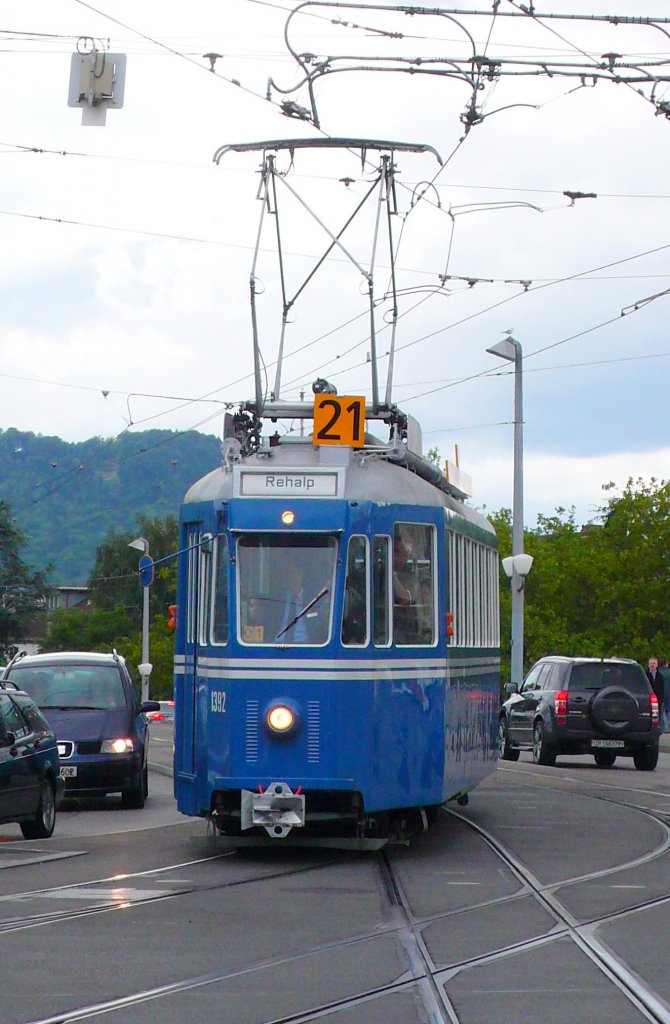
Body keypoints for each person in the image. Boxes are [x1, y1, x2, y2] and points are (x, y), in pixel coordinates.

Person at [647, 657, 666, 729]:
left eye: (654, 663)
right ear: (648, 665)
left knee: (658, 716)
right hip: (648, 700)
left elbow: (662, 689)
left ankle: (659, 729)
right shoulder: (645, 675)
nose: (652, 665)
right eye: (651, 663)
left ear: (657, 665)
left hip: (658, 700)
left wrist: (661, 700)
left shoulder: (660, 676)